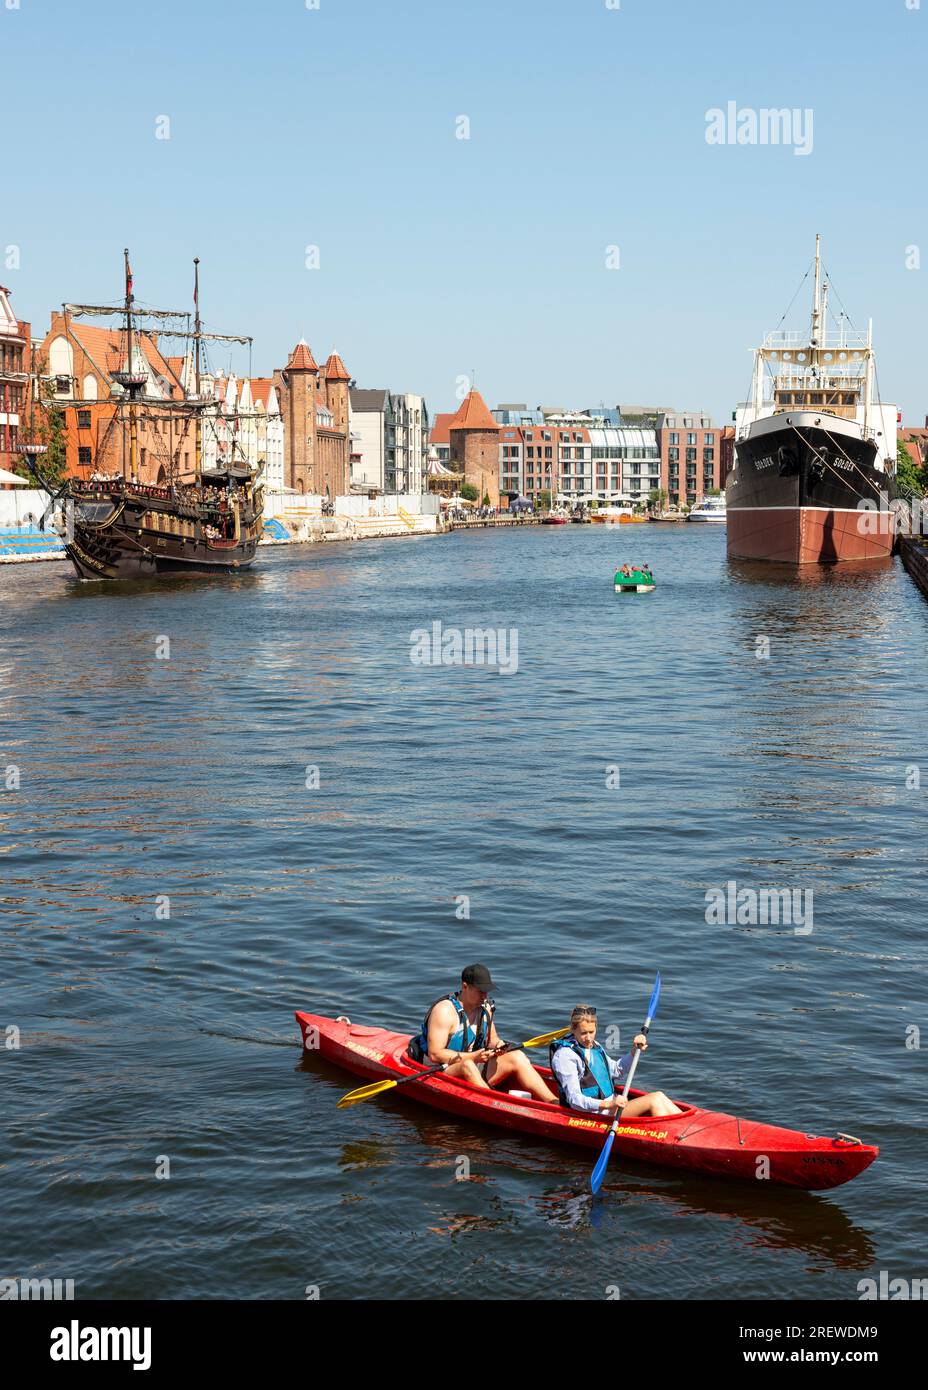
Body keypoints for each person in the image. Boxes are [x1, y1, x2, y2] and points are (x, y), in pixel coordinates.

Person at [408, 964, 557, 1101]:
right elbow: (435, 1054)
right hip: (440, 1069)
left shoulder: (485, 1009)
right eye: (480, 991)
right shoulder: (444, 1011)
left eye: (486, 992)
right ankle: (493, 1103)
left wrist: (500, 1046)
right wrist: (474, 1056)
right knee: (467, 1065)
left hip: (474, 1063)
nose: (484, 996)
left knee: (517, 1057)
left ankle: (553, 1102)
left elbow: (493, 1040)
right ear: (465, 986)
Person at [550, 1005, 682, 1117]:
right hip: (591, 1114)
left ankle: (688, 1129)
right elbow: (574, 1100)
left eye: (592, 1031)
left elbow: (616, 1070)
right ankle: (679, 1139)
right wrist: (608, 1104)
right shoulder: (565, 1056)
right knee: (654, 1100)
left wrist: (634, 1051)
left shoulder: (594, 1046)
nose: (589, 1038)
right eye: (584, 1033)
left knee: (659, 1096)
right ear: (573, 1030)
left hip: (609, 1108)